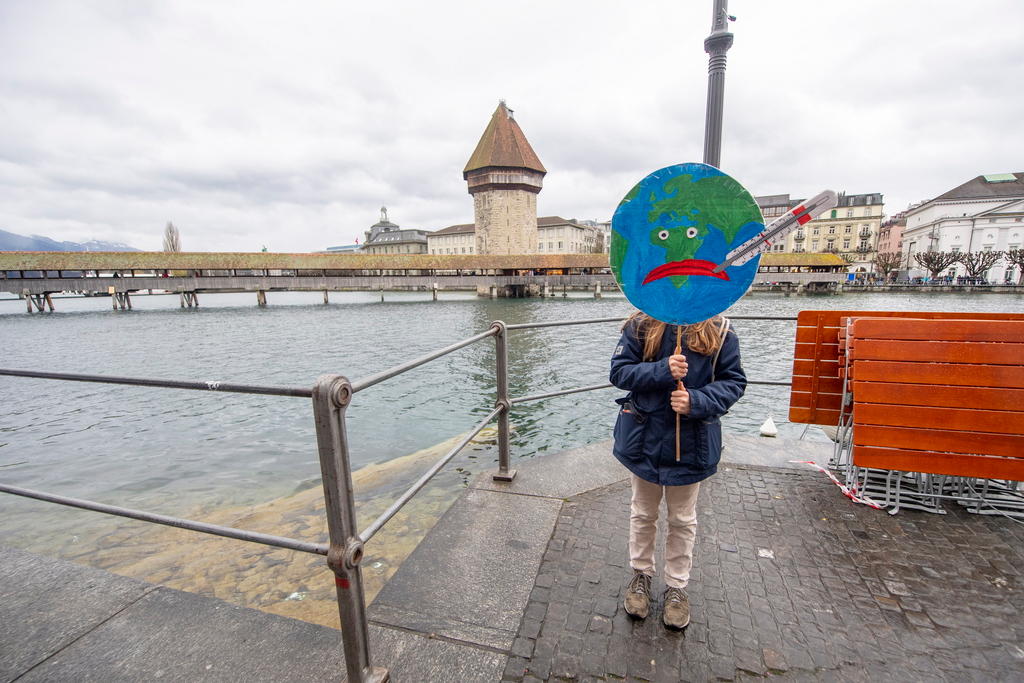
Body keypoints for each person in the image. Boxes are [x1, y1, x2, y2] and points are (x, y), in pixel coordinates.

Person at [609, 311, 746, 629]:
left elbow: (733, 381)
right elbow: (619, 372)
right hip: (644, 439)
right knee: (643, 513)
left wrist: (696, 401)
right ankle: (640, 574)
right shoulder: (640, 326)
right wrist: (662, 370)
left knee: (682, 519)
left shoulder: (720, 329)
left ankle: (676, 587)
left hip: (692, 442)